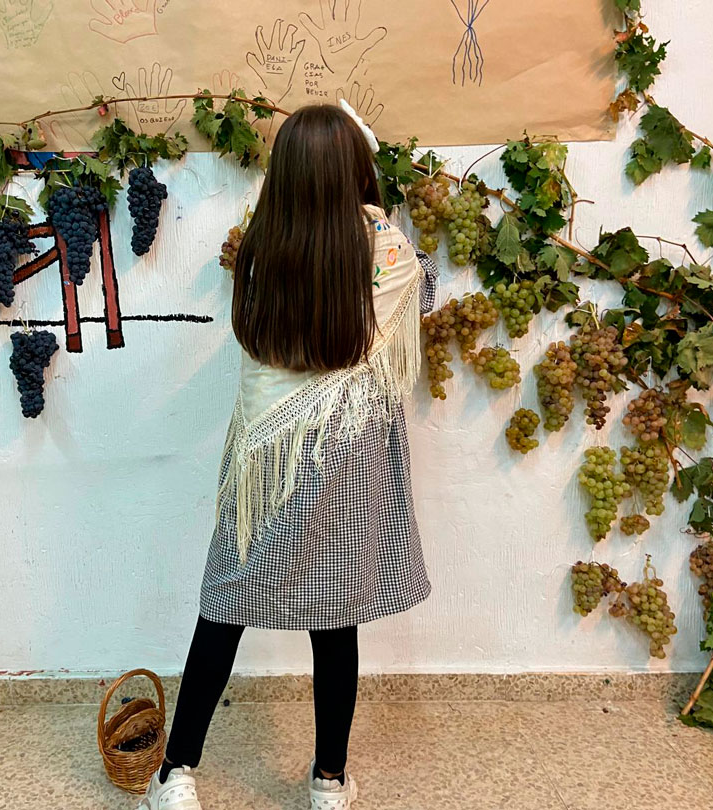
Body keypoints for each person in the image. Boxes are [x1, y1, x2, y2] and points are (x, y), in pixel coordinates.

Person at [139, 102, 435, 810]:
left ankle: (174, 773)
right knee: (335, 623)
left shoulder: (261, 252)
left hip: (266, 462)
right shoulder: (387, 251)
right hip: (347, 457)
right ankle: (328, 782)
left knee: (224, 608)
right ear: (355, 170)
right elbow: (415, 295)